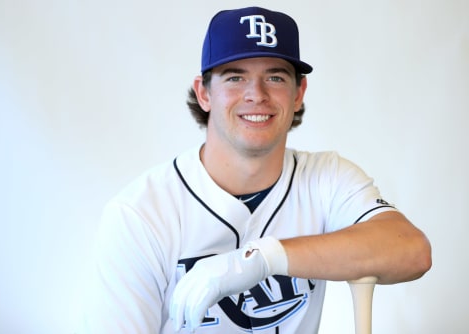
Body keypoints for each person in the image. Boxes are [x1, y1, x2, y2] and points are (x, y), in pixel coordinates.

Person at [81, 6, 432, 334]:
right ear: (204, 93)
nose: (257, 94)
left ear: (298, 93)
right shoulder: (140, 214)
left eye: (276, 77)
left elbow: (411, 251)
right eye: (235, 77)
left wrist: (264, 258)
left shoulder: (326, 178)